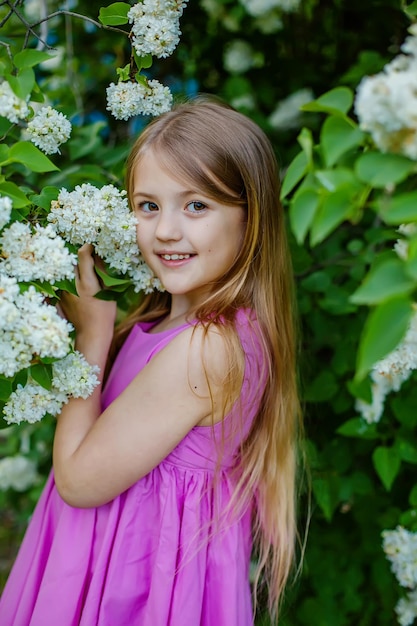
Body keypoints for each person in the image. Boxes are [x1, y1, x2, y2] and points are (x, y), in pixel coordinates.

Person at [0, 96, 303, 626]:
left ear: (251, 218)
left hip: (137, 587)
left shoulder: (207, 349)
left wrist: (91, 334)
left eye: (196, 206)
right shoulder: (164, 323)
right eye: (148, 205)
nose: (165, 231)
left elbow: (78, 481)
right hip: (105, 562)